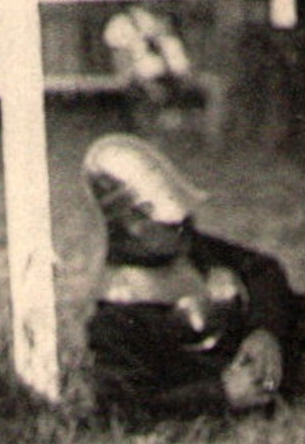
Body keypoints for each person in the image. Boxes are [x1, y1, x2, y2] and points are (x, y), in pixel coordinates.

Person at [82, 133, 294, 415]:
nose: (185, 226)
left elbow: (262, 269)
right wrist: (220, 395)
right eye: (171, 223)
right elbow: (124, 405)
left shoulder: (186, 246)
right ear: (134, 223)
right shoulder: (115, 312)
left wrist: (264, 332)